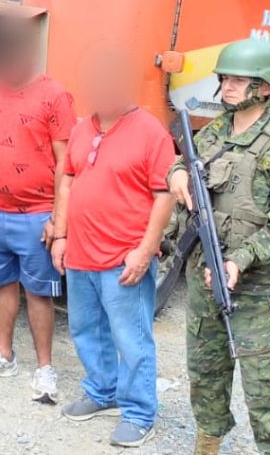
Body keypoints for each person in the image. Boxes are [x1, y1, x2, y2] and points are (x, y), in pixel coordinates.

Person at [167, 39, 270, 455]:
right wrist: (176, 175)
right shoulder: (217, 128)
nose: (227, 87)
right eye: (224, 78)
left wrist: (240, 258)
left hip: (256, 290)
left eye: (238, 79)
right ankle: (208, 443)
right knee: (206, 371)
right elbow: (187, 160)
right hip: (205, 277)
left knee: (263, 385)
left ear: (266, 87)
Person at [51, 46, 175, 448]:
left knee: (132, 337)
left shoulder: (151, 132)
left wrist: (146, 249)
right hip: (82, 253)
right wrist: (62, 235)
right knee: (86, 329)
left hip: (124, 257)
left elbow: (164, 195)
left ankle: (140, 412)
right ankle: (102, 393)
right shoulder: (84, 127)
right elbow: (68, 179)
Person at [0, 16, 76, 403]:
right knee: (0, 283)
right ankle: (4, 354)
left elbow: (66, 164)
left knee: (39, 293)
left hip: (36, 214)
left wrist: (59, 220)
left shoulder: (55, 96)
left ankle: (45, 368)